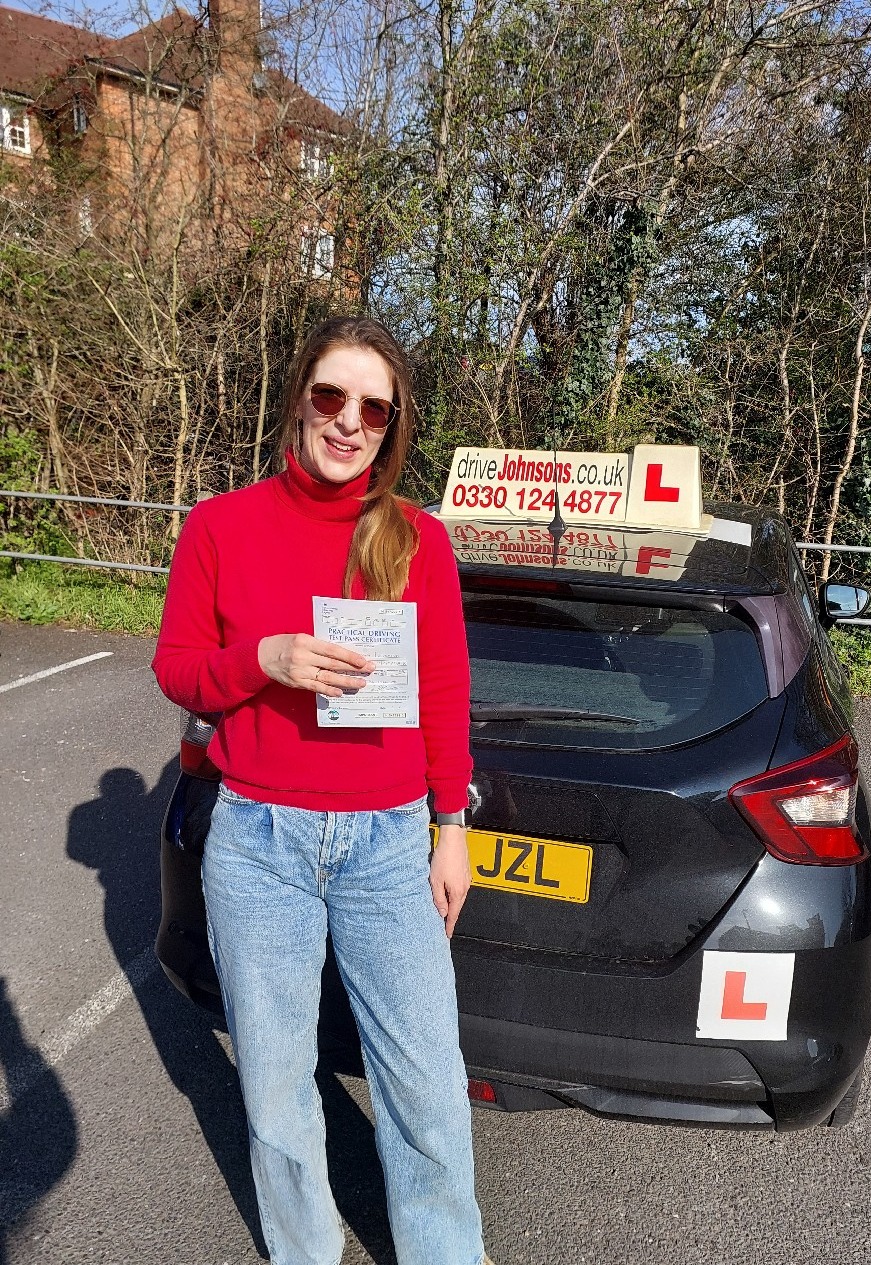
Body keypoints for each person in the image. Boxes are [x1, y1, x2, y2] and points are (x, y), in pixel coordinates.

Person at [152, 316, 491, 1265]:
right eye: (331, 395)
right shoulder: (220, 526)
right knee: (275, 1082)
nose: (348, 422)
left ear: (393, 426)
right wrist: (262, 659)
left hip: (388, 843)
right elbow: (177, 669)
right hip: (260, 841)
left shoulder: (418, 538)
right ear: (298, 396)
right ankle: (304, 1251)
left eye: (373, 407)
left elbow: (444, 690)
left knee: (425, 1081)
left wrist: (450, 823)